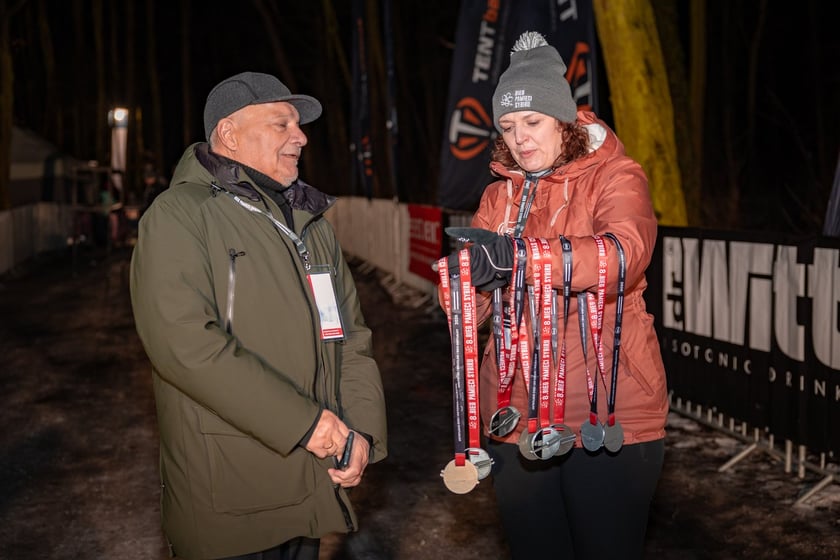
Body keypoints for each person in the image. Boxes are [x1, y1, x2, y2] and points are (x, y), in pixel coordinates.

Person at [130, 71, 387, 560]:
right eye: (281, 123)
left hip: (310, 485)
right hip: (230, 496)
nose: (301, 136)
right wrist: (305, 424)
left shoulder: (310, 225)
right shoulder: (178, 216)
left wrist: (362, 430)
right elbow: (185, 346)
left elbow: (350, 336)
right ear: (229, 134)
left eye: (299, 124)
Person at [439, 32, 668, 559]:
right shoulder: (498, 195)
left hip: (609, 411)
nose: (519, 138)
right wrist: (463, 284)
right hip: (514, 413)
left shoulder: (616, 176)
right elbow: (472, 314)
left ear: (564, 120)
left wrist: (524, 258)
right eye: (508, 126)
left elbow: (623, 255)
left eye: (533, 121)